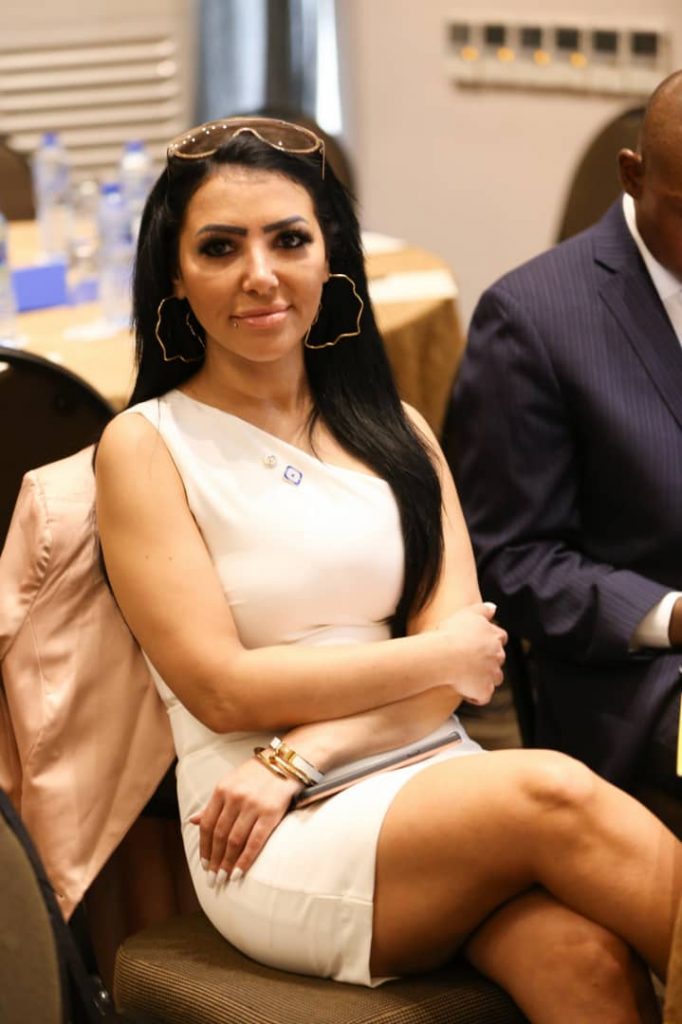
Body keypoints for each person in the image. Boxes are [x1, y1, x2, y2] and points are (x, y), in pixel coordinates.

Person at [95, 115, 679, 1022]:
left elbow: (464, 675)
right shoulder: (145, 445)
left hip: (402, 772)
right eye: (220, 247)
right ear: (175, 273)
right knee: (553, 789)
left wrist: (308, 749)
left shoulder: (395, 428)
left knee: (586, 960)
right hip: (263, 825)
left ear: (331, 253)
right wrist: (429, 660)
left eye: (289, 240)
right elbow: (224, 689)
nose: (260, 274)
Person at [446, 72, 682, 837]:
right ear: (633, 175)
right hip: (643, 675)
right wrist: (672, 618)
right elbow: (510, 563)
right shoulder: (533, 320)